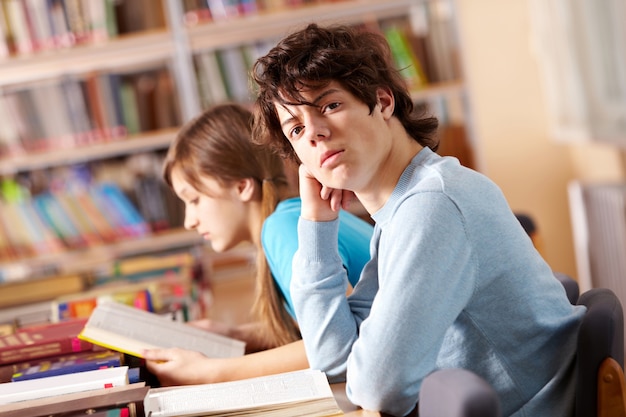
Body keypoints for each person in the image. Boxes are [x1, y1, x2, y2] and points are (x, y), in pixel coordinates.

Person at [251, 23, 585, 417]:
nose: (315, 134)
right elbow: (332, 362)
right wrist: (317, 226)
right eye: (296, 128)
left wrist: (366, 361)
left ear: (383, 101)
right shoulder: (403, 208)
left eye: (330, 106)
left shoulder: (433, 205)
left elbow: (379, 388)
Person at [141, 103, 373, 385]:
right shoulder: (290, 218)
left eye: (194, 199)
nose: (189, 220)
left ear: (242, 187)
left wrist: (211, 373)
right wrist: (236, 335)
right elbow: (320, 325)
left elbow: (343, 343)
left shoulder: (284, 228)